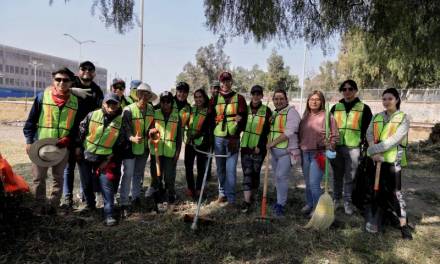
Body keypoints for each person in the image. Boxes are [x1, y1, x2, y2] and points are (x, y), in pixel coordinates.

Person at [23, 67, 78, 215]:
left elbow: (77, 126)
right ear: (53, 81)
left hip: (62, 147)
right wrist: (29, 141)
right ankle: (39, 207)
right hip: (41, 146)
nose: (61, 82)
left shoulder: (75, 102)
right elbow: (30, 122)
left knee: (58, 178)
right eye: (58, 79)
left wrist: (69, 138)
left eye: (65, 80)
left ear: (71, 82)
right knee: (39, 179)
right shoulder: (42, 97)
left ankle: (53, 206)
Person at [365, 88, 412, 239]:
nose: (386, 102)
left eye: (390, 99)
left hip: (393, 162)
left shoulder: (403, 118)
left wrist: (372, 150)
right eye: (384, 99)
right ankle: (380, 219)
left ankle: (404, 226)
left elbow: (394, 141)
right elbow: (369, 133)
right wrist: (374, 154)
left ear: (397, 99)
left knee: (396, 193)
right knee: (378, 191)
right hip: (377, 161)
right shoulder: (377, 116)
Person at [76, 93, 126, 226]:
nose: (111, 106)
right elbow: (81, 131)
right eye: (108, 103)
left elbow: (120, 145)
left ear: (119, 105)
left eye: (114, 103)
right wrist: (78, 148)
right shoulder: (92, 115)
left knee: (106, 185)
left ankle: (109, 213)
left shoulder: (121, 122)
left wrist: (108, 160)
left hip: (105, 159)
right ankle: (90, 206)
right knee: (86, 184)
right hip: (86, 155)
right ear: (103, 103)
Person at [62, 61, 103, 208]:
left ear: (94, 73)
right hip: (67, 132)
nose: (87, 71)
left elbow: (101, 111)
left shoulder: (96, 90)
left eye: (90, 69)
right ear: (79, 71)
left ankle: (86, 198)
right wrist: (72, 90)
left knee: (85, 168)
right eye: (83, 69)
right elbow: (54, 89)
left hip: (85, 135)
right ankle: (67, 199)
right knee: (68, 168)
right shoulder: (70, 82)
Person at [330, 80, 373, 215]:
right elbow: (329, 127)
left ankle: (348, 202)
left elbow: (368, 130)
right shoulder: (336, 107)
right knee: (337, 175)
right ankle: (336, 200)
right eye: (344, 89)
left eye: (350, 89)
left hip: (353, 148)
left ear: (355, 91)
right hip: (337, 147)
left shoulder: (363, 108)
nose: (347, 91)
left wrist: (365, 147)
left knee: (350, 177)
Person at [208, 71, 248, 206]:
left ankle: (231, 199)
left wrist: (237, 130)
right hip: (218, 137)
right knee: (220, 168)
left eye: (227, 81)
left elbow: (244, 118)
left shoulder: (240, 98)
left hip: (233, 139)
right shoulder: (214, 98)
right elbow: (210, 117)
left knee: (231, 169)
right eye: (223, 81)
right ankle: (222, 194)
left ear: (231, 82)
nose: (225, 83)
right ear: (220, 83)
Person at [119, 83, 157, 218]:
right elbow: (124, 128)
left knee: (138, 174)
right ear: (137, 94)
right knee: (127, 174)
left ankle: (135, 198)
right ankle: (124, 202)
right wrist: (131, 138)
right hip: (130, 148)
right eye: (142, 93)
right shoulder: (128, 109)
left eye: (147, 94)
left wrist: (152, 130)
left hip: (144, 147)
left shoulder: (151, 110)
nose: (144, 96)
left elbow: (152, 126)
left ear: (150, 96)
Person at [299, 91, 339, 216]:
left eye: (317, 99)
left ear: (322, 102)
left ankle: (317, 209)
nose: (314, 102)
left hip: (319, 154)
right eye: (311, 99)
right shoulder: (305, 116)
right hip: (305, 153)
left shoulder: (327, 116)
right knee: (307, 181)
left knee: (314, 183)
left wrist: (330, 146)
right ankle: (310, 203)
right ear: (308, 101)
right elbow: (301, 134)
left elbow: (335, 135)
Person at [267, 88, 300, 217]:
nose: (278, 101)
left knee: (281, 177)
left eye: (281, 98)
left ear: (286, 99)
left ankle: (281, 204)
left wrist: (272, 143)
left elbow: (288, 132)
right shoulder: (275, 113)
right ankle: (279, 201)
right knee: (277, 178)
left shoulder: (292, 113)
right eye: (276, 99)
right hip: (274, 153)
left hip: (287, 152)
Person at [147, 91, 182, 210]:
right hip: (156, 152)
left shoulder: (177, 116)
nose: (165, 104)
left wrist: (177, 153)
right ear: (160, 102)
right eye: (163, 102)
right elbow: (148, 131)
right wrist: (150, 132)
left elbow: (179, 137)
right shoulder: (154, 114)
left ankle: (171, 193)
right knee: (156, 176)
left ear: (172, 103)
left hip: (170, 153)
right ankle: (158, 196)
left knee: (169, 176)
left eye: (168, 102)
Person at [239, 85, 272, 213]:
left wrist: (260, 145)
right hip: (246, 147)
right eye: (254, 93)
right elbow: (241, 127)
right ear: (251, 95)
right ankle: (246, 201)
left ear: (262, 96)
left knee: (255, 173)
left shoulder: (267, 110)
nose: (256, 96)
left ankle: (253, 194)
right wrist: (238, 120)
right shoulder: (245, 109)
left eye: (258, 94)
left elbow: (267, 131)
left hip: (259, 148)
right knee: (247, 173)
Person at [184, 89, 210, 199]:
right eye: (196, 97)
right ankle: (190, 188)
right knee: (188, 166)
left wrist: (196, 136)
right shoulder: (191, 109)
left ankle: (199, 189)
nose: (198, 99)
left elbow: (207, 128)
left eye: (200, 97)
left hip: (202, 143)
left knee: (201, 167)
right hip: (190, 143)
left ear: (204, 98)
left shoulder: (208, 111)